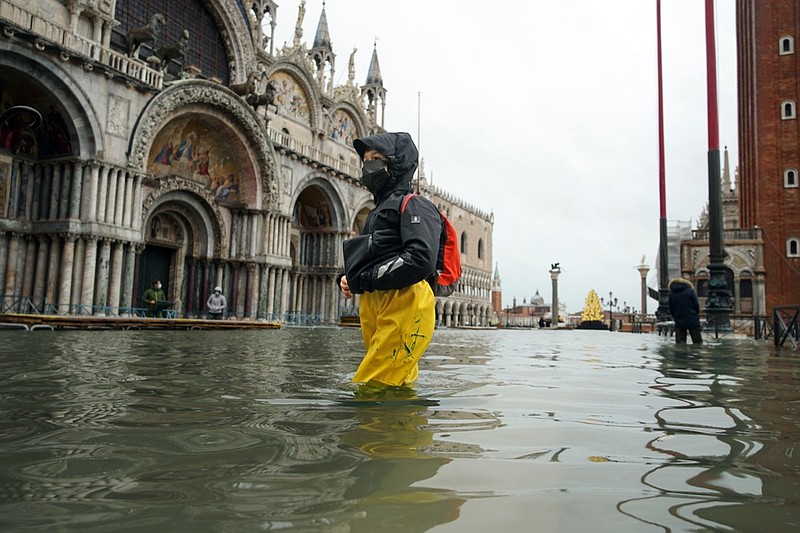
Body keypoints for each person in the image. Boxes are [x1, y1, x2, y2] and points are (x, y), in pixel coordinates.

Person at [337, 132, 442, 387]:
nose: (367, 165)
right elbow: (372, 253)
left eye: (376, 158)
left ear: (396, 163)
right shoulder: (375, 213)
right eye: (365, 159)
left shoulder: (416, 205)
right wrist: (347, 277)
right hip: (377, 302)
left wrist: (366, 279)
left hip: (405, 300)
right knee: (396, 381)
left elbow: (419, 258)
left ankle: (376, 427)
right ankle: (401, 426)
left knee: (372, 386)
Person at [668, 278, 703, 344]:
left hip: (679, 319)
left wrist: (675, 316)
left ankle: (682, 354)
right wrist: (695, 314)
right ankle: (696, 353)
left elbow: (671, 308)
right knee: (697, 342)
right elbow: (696, 305)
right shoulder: (690, 291)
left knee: (680, 343)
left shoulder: (671, 294)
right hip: (692, 318)